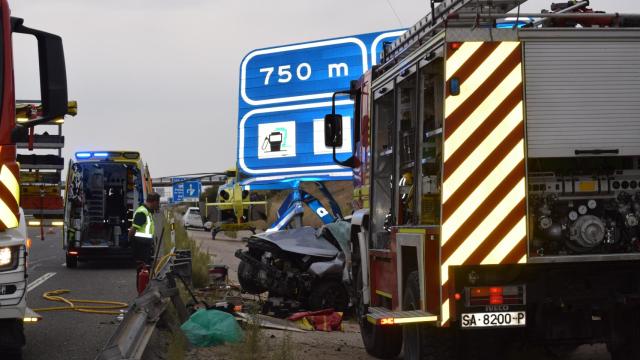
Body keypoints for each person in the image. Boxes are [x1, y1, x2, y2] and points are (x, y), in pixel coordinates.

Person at [128, 192, 160, 265]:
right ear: (154, 202)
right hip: (141, 246)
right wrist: (130, 242)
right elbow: (132, 230)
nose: (158, 205)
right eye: (158, 203)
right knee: (143, 269)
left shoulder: (148, 212)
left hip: (145, 244)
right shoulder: (142, 212)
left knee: (145, 269)